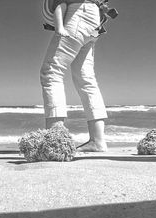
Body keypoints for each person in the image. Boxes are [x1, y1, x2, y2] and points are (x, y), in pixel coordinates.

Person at [40, 0, 110, 152]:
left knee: (51, 72)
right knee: (86, 79)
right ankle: (98, 141)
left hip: (77, 16)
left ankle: (55, 139)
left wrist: (59, 27)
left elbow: (60, 3)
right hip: (94, 18)